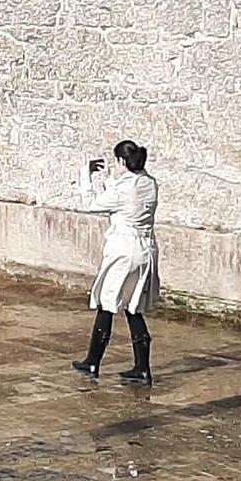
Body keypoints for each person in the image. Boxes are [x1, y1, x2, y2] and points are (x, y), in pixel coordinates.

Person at [72, 140, 159, 384]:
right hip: (145, 249)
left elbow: (91, 204)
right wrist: (112, 178)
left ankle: (92, 362)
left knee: (107, 303)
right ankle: (142, 367)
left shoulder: (123, 190)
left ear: (122, 161)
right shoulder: (150, 184)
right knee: (134, 307)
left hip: (124, 250)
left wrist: (86, 176)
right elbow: (127, 192)